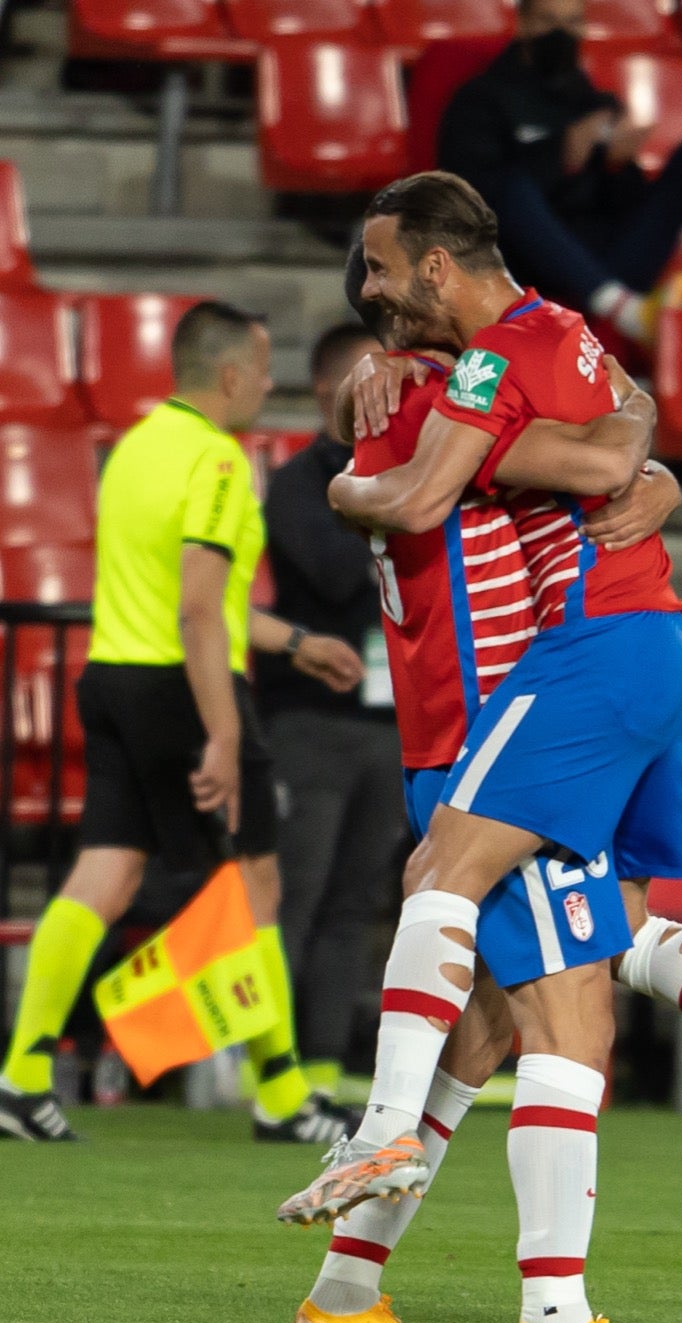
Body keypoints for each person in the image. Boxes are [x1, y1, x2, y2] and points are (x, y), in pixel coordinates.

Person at [277, 176, 682, 1323]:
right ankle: (537, 1306)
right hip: (518, 709)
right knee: (567, 1013)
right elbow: (593, 445)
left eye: (385, 272)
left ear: (432, 275)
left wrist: (628, 456)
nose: (381, 300)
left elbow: (601, 427)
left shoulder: (464, 376)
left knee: (532, 1005)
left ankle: (352, 1291)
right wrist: (633, 467)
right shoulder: (461, 382)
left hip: (503, 713)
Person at [0, 301, 363, 1145]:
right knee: (254, 883)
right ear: (232, 374)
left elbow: (190, 601)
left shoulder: (132, 449)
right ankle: (280, 1092)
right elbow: (200, 615)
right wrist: (227, 735)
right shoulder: (221, 465)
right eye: (265, 368)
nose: (269, 384)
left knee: (106, 874)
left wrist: (296, 642)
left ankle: (20, 1075)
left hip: (116, 677)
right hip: (187, 694)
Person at [437, 0, 682, 344]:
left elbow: (622, 203)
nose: (562, 34)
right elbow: (474, 198)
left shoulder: (594, 102)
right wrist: (560, 156)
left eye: (573, 22)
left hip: (609, 257)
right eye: (549, 21)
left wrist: (617, 165)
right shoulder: (479, 100)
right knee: (512, 189)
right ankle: (627, 314)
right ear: (523, 24)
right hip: (530, 265)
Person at [256, 323, 407, 1079]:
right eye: (365, 380)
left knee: (357, 901)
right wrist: (386, 495)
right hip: (311, 720)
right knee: (298, 895)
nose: (383, 395)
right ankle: (271, 1072)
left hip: (388, 722)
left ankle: (319, 1064)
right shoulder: (296, 483)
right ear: (325, 391)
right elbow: (332, 573)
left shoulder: (407, 475)